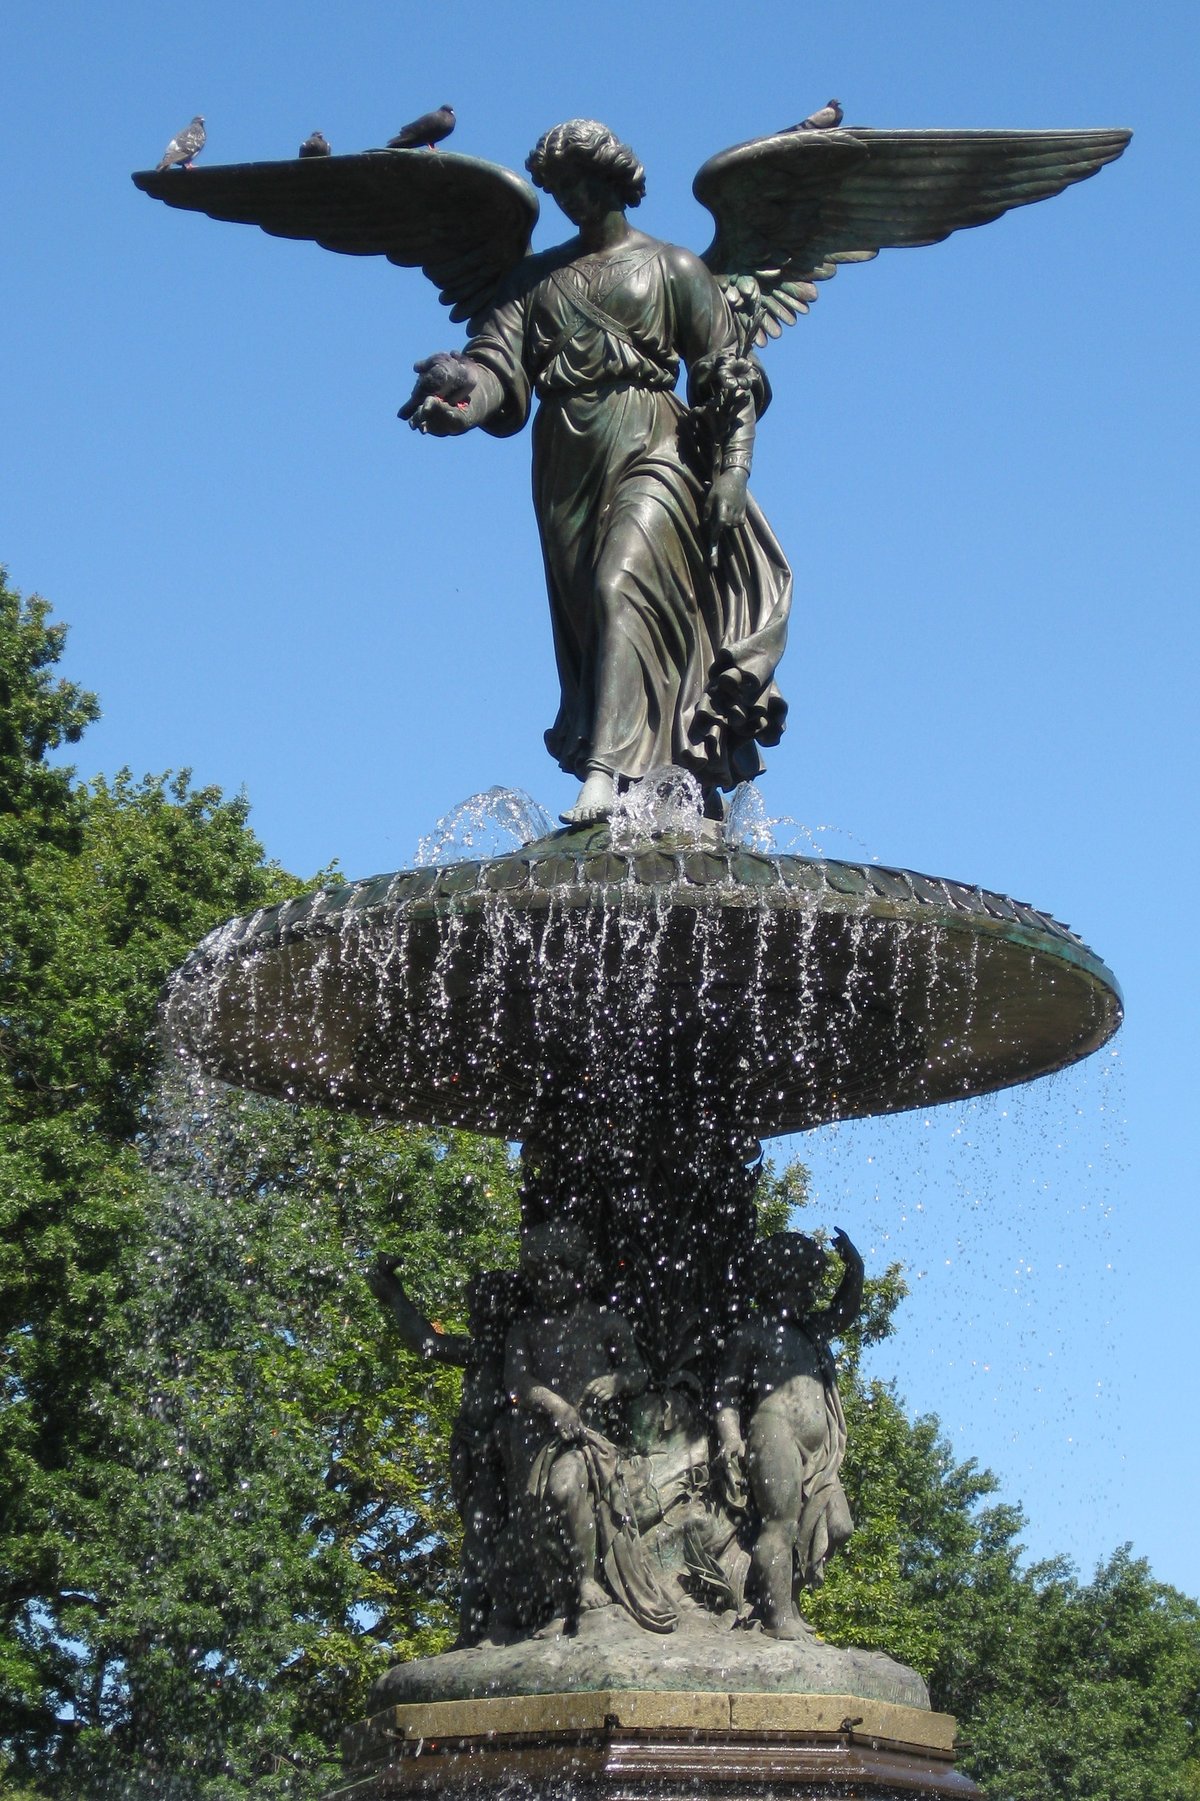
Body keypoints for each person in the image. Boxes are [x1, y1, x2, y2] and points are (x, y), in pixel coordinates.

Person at [407, 118, 791, 825]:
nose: (570, 199)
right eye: (558, 188)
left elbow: (731, 375)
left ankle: (603, 772)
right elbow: (495, 367)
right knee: (593, 618)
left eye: (581, 182)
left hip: (657, 443)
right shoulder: (534, 280)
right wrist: (461, 405)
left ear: (615, 178)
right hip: (566, 458)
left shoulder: (674, 268)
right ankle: (662, 772)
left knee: (621, 586)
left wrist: (733, 471)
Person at [502, 1220, 678, 1630]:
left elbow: (639, 1373)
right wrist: (552, 1404)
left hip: (590, 1440)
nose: (544, 1285)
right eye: (536, 1277)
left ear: (577, 1272)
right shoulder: (524, 1329)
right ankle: (555, 1602)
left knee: (564, 1488)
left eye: (552, 1274)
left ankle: (585, 1579)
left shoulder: (606, 1323)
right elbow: (516, 1380)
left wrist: (616, 1382)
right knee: (535, 1518)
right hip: (539, 1440)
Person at [714, 1229, 863, 1639]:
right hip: (773, 1431)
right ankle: (779, 1617)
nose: (810, 1293)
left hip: (821, 1452)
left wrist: (855, 1270)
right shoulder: (752, 1332)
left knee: (839, 1526)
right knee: (780, 1524)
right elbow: (725, 1395)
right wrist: (730, 1437)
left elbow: (844, 1312)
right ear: (777, 1280)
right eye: (803, 1284)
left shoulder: (810, 1330)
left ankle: (788, 1601)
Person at [367, 1253, 518, 1646]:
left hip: (496, 1462)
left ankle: (478, 1630)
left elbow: (428, 1343)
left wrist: (395, 1296)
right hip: (480, 1458)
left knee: (482, 1541)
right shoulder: (495, 1350)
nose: (472, 1320)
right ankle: (479, 1627)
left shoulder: (500, 1352)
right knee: (480, 1540)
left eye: (479, 1312)